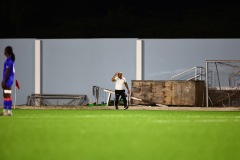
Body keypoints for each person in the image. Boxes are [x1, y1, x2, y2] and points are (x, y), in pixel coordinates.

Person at [1, 46, 15, 116]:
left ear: (7, 51)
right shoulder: (9, 60)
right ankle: (5, 111)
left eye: (5, 50)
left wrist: (4, 81)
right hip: (7, 81)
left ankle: (9, 111)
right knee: (5, 95)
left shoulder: (9, 61)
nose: (4, 51)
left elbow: (7, 72)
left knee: (7, 95)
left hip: (8, 81)